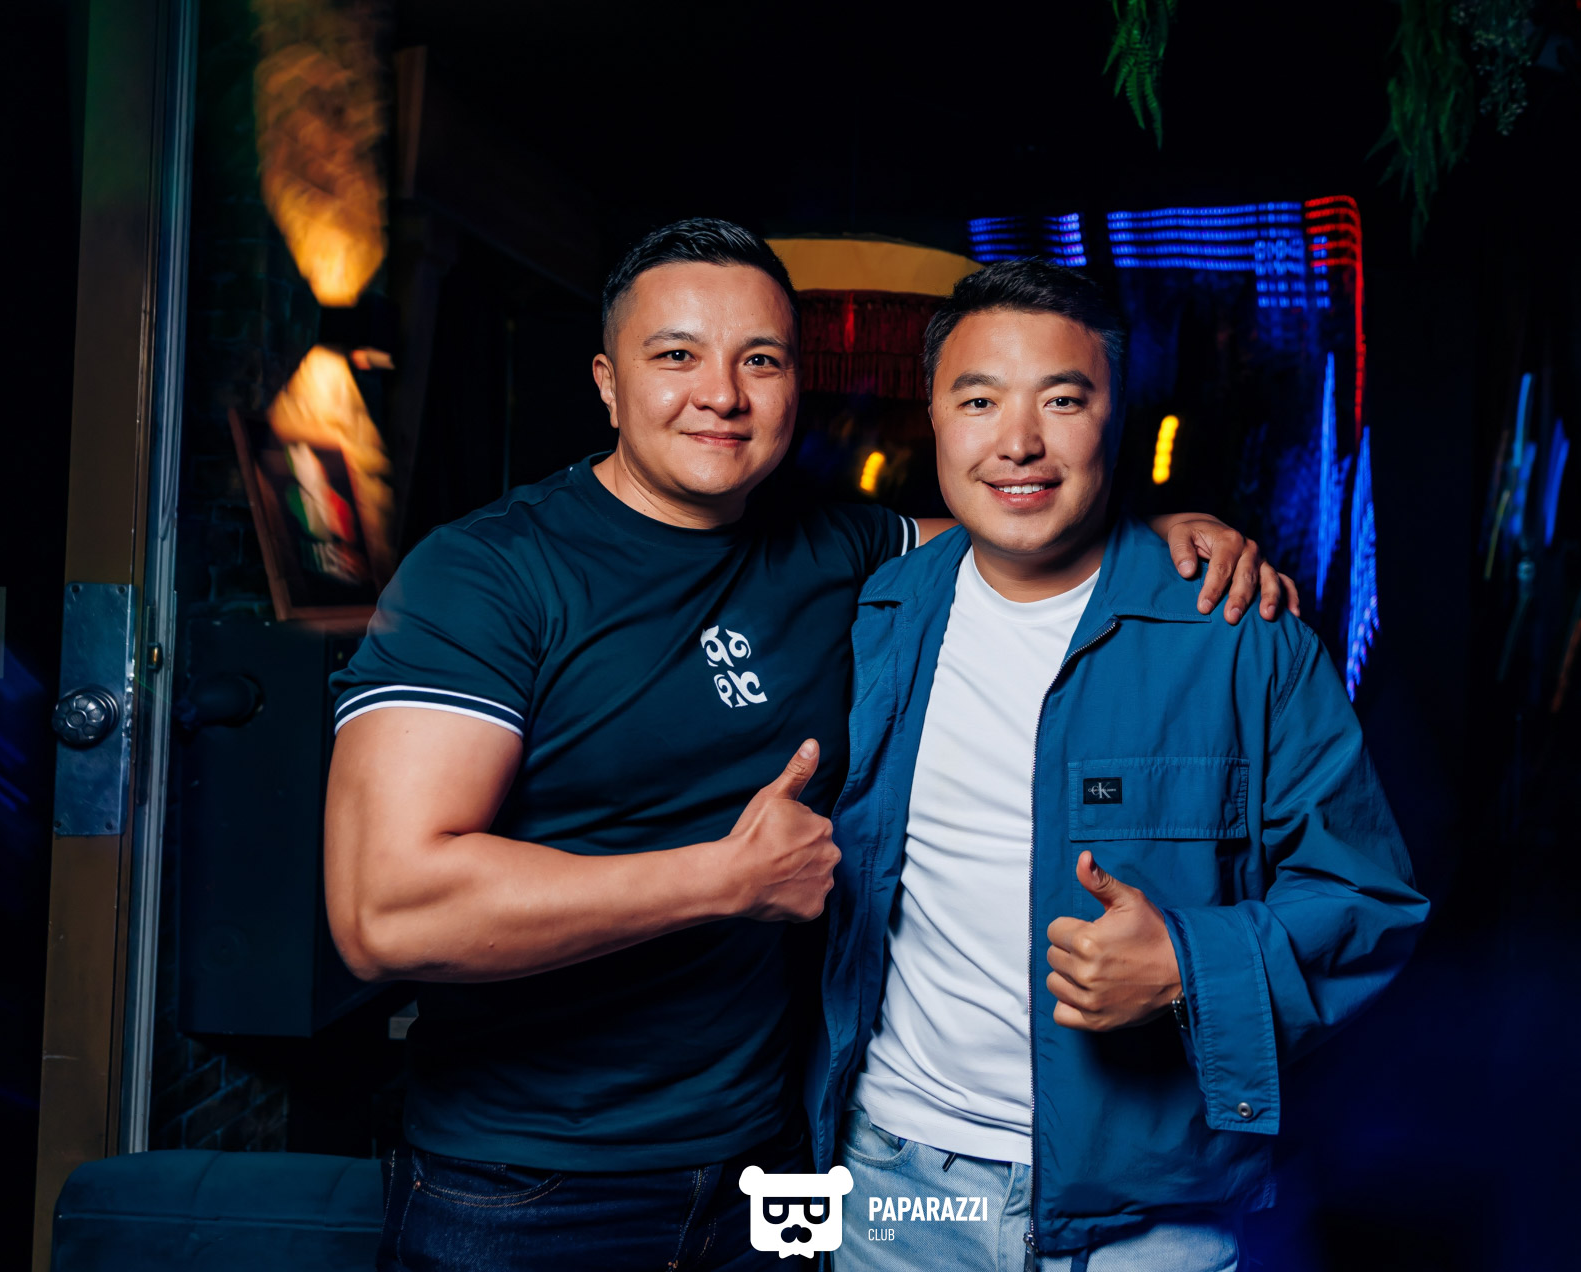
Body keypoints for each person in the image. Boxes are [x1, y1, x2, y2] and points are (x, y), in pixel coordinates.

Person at [321, 219, 1291, 1272]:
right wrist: (721, 880)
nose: (721, 394)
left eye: (762, 361)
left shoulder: (834, 545)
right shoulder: (487, 574)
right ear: (607, 383)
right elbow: (386, 911)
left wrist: (1163, 534)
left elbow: (1018, 530)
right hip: (529, 1185)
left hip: (776, 1166)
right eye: (677, 354)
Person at [808, 260, 1429, 1270]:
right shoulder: (874, 616)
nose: (1018, 441)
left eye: (1063, 400)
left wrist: (1186, 962)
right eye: (979, 400)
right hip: (895, 1185)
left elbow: (1369, 899)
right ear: (935, 418)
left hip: (1148, 1211)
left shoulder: (1241, 633)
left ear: (1116, 417)